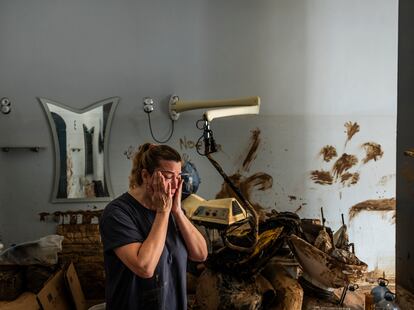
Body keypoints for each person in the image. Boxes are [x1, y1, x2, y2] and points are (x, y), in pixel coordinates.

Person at [99, 143, 208, 310]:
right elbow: (145, 267)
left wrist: (177, 211)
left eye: (178, 177)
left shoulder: (173, 209)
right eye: (168, 176)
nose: (175, 185)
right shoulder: (117, 213)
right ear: (145, 175)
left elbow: (201, 254)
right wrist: (163, 212)